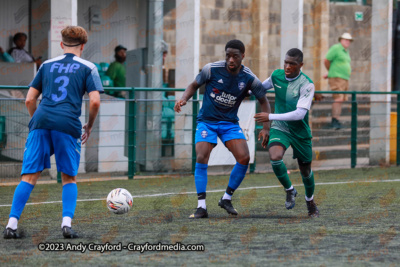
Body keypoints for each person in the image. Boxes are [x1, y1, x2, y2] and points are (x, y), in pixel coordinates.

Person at [3, 26, 103, 239]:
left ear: (61, 44)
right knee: (68, 177)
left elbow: (29, 99)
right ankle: (66, 225)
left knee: (29, 176)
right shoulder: (88, 67)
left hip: (41, 120)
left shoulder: (46, 65)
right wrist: (90, 125)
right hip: (67, 124)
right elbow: (95, 101)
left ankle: (11, 225)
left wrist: (37, 120)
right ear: (83, 46)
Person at [174, 39, 271, 219]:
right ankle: (201, 206)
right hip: (207, 122)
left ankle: (226, 198)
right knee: (202, 156)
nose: (231, 60)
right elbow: (194, 85)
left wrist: (266, 128)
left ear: (243, 56)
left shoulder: (250, 78)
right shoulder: (211, 69)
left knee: (244, 158)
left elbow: (264, 101)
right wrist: (184, 99)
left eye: (235, 56)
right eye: (228, 56)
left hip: (229, 124)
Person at [254, 48, 319, 218]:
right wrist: (241, 91)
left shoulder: (307, 84)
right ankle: (290, 190)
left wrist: (269, 116)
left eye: (292, 64)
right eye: (286, 62)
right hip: (280, 127)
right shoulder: (276, 75)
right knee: (275, 156)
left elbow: (300, 114)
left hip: (300, 132)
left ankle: (310, 201)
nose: (287, 66)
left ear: (301, 65)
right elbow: (260, 88)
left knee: (306, 171)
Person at [323, 32, 353, 129]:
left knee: (341, 100)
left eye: (349, 40)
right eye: (346, 39)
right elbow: (326, 60)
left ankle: (337, 120)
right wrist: (330, 71)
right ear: (341, 40)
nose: (347, 42)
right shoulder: (336, 48)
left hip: (344, 78)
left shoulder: (346, 51)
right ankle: (334, 121)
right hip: (336, 77)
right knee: (338, 98)